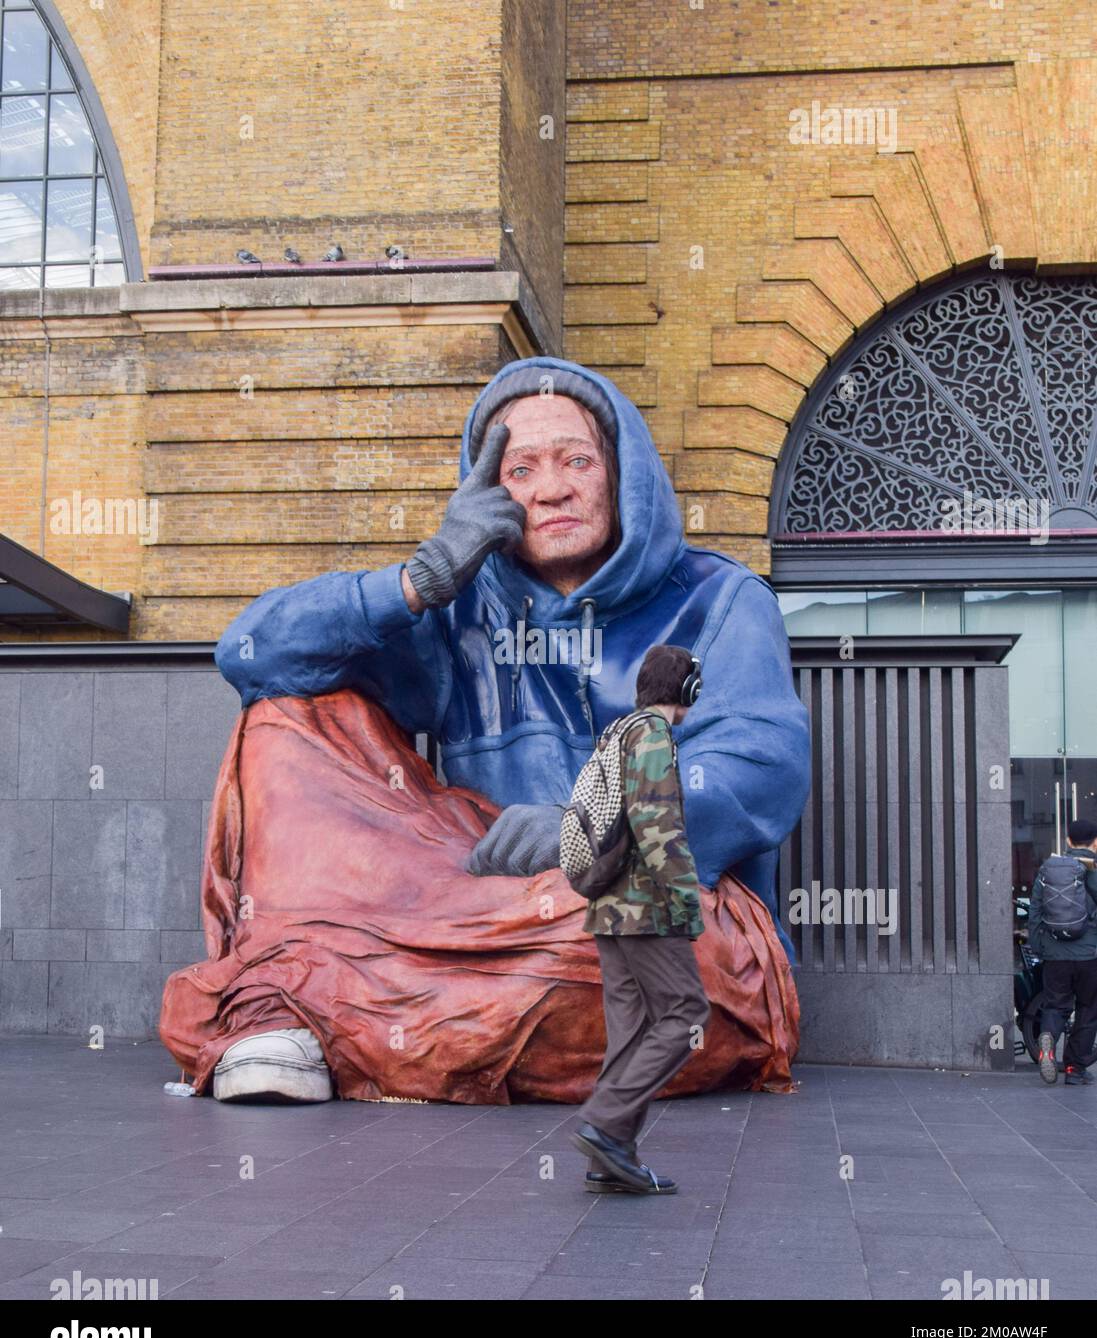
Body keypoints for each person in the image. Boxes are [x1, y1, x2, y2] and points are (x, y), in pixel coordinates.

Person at [159, 356, 810, 1104]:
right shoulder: (460, 611)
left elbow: (761, 767)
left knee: (628, 946)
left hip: (648, 913)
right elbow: (249, 653)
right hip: (474, 909)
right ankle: (365, 1006)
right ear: (486, 494)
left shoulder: (721, 599)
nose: (552, 487)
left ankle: (315, 1007)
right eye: (519, 469)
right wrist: (421, 577)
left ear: (622, 471)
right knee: (286, 714)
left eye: (576, 460)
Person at [571, 644, 710, 1196]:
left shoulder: (617, 731)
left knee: (629, 1033)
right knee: (686, 1012)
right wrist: (685, 901)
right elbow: (655, 823)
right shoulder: (652, 734)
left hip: (608, 908)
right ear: (686, 690)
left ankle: (611, 1158)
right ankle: (605, 1123)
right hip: (645, 909)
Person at [1031, 818, 1097, 1086]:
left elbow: (1035, 912)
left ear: (1068, 841)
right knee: (1088, 1009)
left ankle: (1048, 1037)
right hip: (1089, 956)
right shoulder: (1093, 871)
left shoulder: (1049, 871)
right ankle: (1074, 1069)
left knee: (1055, 1005)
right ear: (1095, 842)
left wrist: (1041, 948)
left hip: (1055, 954)